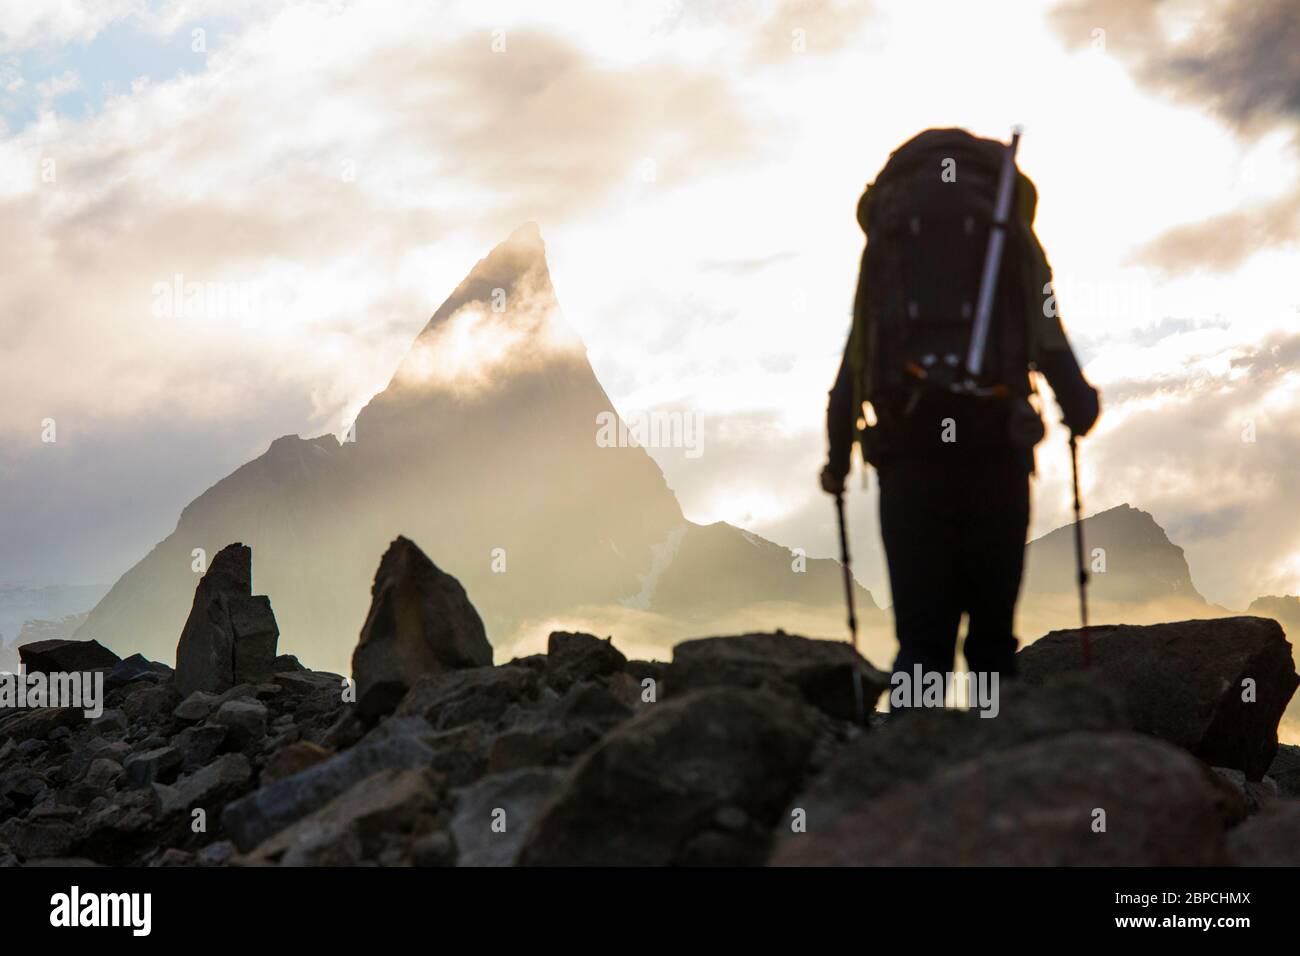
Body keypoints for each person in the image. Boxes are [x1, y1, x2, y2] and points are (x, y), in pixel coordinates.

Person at [819, 128, 1100, 707]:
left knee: (922, 640)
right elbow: (1048, 337)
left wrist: (836, 460)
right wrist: (1078, 405)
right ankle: (996, 764)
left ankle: (908, 767)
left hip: (908, 455)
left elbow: (857, 354)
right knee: (993, 641)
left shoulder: (888, 250)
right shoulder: (1009, 239)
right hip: (995, 451)